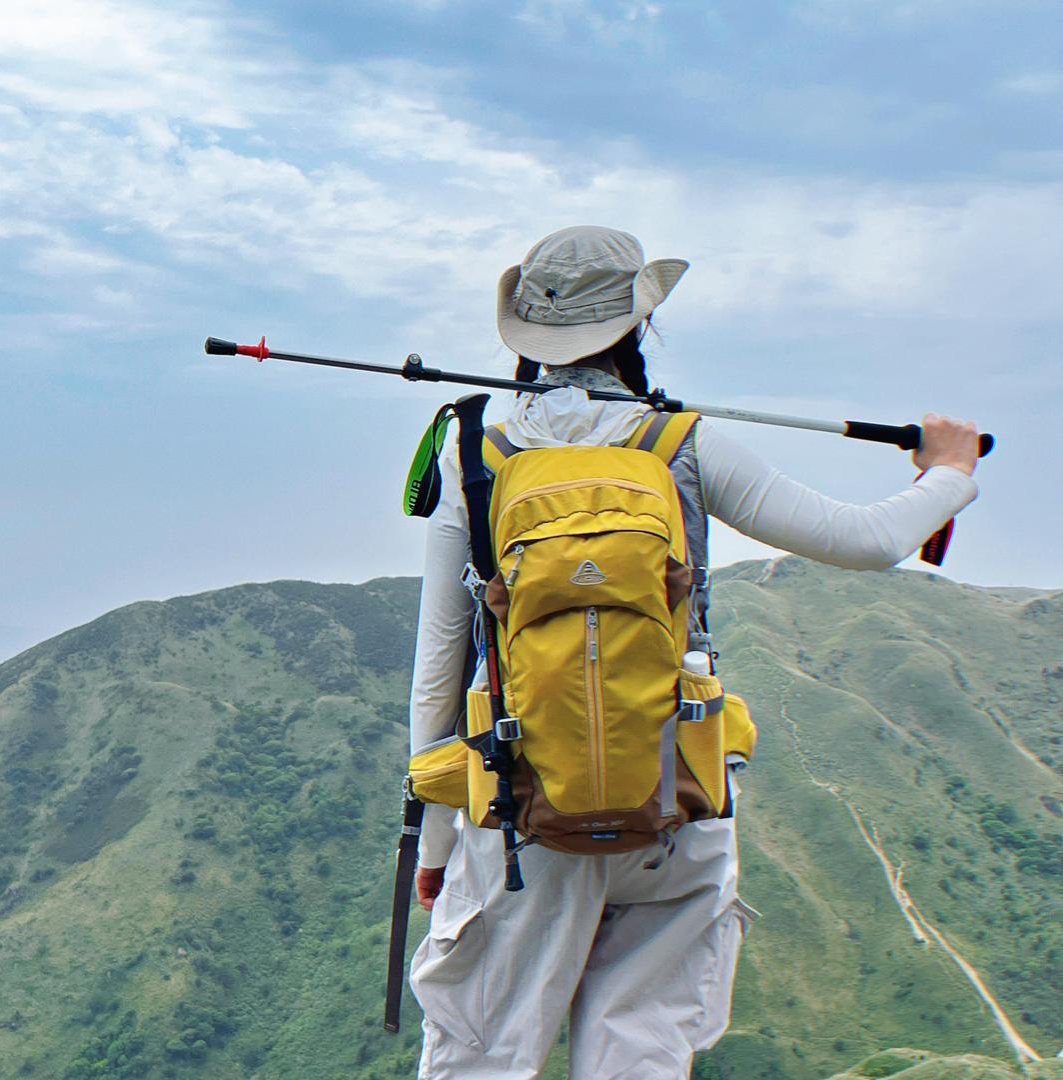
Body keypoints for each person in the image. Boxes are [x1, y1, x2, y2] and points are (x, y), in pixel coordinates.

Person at [406, 225, 980, 1080]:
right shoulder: (683, 443)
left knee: (481, 1057)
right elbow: (865, 539)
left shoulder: (475, 455)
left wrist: (438, 843)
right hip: (674, 797)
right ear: (636, 327)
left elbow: (441, 666)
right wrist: (949, 471)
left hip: (522, 811)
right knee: (640, 1054)